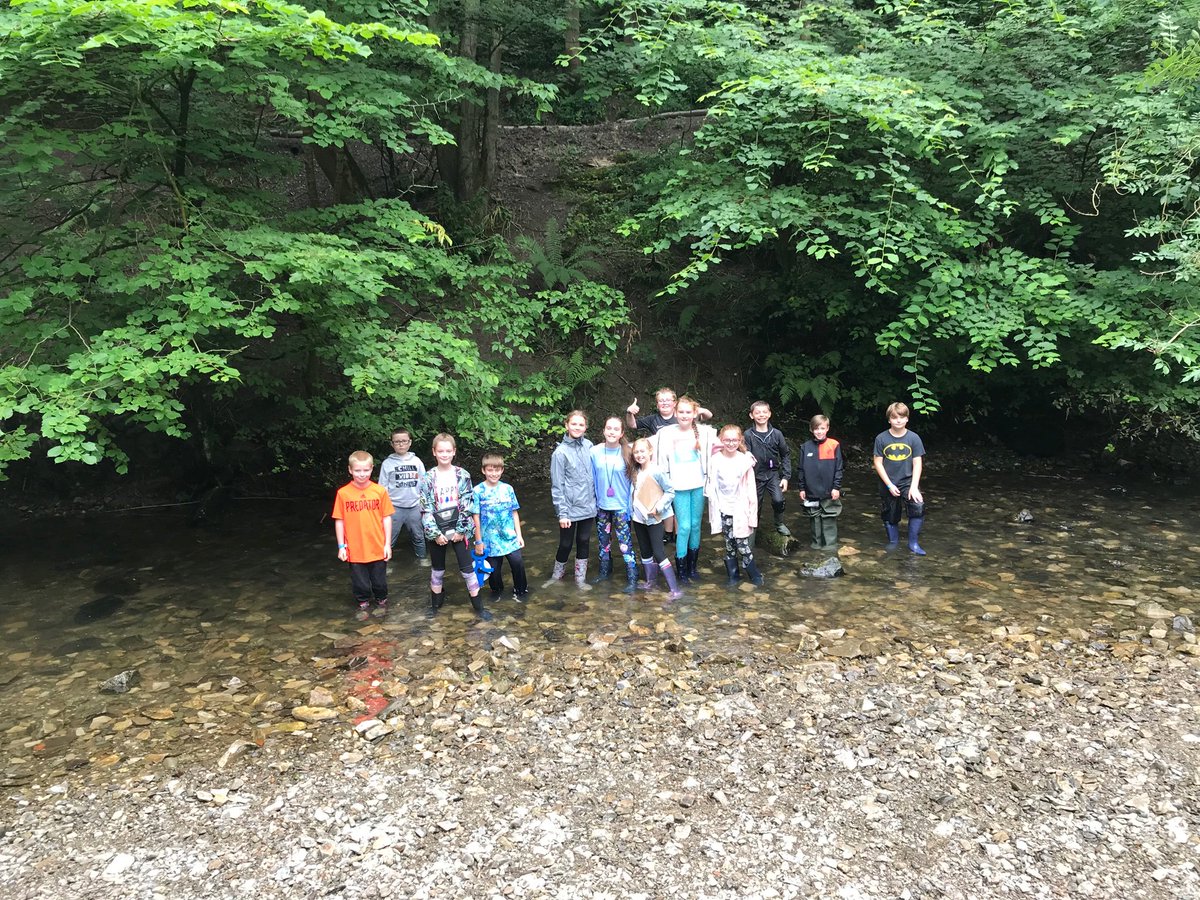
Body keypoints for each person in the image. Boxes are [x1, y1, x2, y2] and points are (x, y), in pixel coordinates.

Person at [420, 434, 490, 619]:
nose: (444, 454)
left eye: (448, 451)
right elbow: (425, 507)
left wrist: (461, 530)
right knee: (438, 569)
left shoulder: (462, 475)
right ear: (434, 452)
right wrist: (435, 533)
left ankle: (479, 607)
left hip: (460, 529)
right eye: (441, 451)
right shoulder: (427, 478)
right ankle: (435, 604)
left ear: (454, 452)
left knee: (467, 569)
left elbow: (468, 504)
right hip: (436, 529)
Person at [652, 396, 718, 581]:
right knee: (684, 527)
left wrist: (745, 455)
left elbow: (726, 443)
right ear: (675, 412)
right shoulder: (666, 433)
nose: (684, 415)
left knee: (696, 526)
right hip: (677, 486)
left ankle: (692, 568)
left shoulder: (705, 432)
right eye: (681, 412)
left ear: (694, 414)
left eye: (688, 412)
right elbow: (652, 451)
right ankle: (681, 570)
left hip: (698, 485)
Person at [332, 451, 394, 619]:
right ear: (350, 470)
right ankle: (363, 605)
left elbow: (386, 518)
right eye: (358, 471)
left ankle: (382, 603)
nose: (362, 474)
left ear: (372, 469)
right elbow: (339, 520)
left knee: (380, 582)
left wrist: (387, 544)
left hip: (377, 547)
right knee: (360, 583)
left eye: (366, 470)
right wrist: (341, 546)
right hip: (354, 548)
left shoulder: (379, 491)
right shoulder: (343, 493)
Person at [706, 425, 763, 586]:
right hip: (723, 508)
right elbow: (712, 487)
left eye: (734, 440)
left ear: (740, 441)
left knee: (743, 544)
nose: (730, 443)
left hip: (741, 509)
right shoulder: (715, 460)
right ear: (721, 440)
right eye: (727, 440)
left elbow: (752, 491)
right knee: (729, 544)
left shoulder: (745, 461)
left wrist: (753, 516)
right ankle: (733, 576)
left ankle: (754, 574)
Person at [630, 438, 684, 600]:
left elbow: (670, 491)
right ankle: (650, 582)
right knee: (645, 551)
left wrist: (659, 507)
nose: (639, 455)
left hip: (654, 518)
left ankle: (674, 589)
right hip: (638, 518)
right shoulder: (634, 472)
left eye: (642, 451)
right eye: (636, 452)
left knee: (659, 553)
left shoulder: (657, 471)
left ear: (650, 451)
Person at [590, 416, 639, 593]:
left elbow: (635, 479)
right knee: (603, 543)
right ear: (603, 430)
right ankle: (604, 573)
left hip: (621, 506)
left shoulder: (628, 452)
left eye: (615, 429)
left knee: (625, 544)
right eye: (608, 428)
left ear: (621, 433)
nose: (611, 432)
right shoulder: (594, 451)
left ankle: (632, 578)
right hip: (602, 506)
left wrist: (631, 507)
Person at [548, 410, 597, 588]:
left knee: (584, 541)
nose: (577, 427)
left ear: (586, 427)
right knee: (566, 543)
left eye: (581, 424)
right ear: (567, 425)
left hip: (588, 506)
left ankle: (580, 579)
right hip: (569, 508)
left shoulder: (590, 446)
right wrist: (562, 513)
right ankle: (556, 576)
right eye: (574, 424)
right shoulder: (559, 453)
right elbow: (557, 486)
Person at [872, 401, 927, 555]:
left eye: (902, 417)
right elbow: (877, 462)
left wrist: (914, 487)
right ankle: (893, 542)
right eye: (894, 417)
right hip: (888, 481)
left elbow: (917, 463)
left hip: (908, 481)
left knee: (918, 505)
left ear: (907, 419)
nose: (898, 420)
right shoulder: (881, 438)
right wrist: (889, 484)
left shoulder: (914, 438)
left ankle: (913, 543)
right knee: (890, 512)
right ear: (889, 419)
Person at [472, 452, 527, 602]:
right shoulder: (478, 491)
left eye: (497, 470)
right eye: (490, 470)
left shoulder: (508, 489)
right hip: (489, 540)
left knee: (518, 564)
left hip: (509, 537)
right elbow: (475, 517)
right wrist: (478, 542)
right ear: (483, 470)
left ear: (502, 470)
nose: (494, 473)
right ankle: (497, 594)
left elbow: (514, 513)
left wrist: (519, 535)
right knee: (494, 571)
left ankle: (521, 591)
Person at [378, 428, 429, 566]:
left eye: (404, 441)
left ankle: (422, 559)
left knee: (419, 536)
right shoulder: (387, 464)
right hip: (394, 507)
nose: (401, 444)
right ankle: (385, 563)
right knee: (389, 538)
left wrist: (423, 504)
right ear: (392, 444)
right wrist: (384, 509)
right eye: (397, 442)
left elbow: (424, 484)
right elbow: (382, 488)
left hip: (414, 506)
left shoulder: (417, 461)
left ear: (410, 442)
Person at [796, 414, 844, 552]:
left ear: (827, 428)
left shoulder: (834, 445)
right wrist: (801, 488)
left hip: (829, 490)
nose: (819, 431)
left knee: (829, 515)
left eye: (822, 428)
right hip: (811, 490)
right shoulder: (805, 447)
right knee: (814, 517)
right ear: (811, 430)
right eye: (816, 429)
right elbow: (801, 469)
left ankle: (830, 546)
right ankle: (816, 546)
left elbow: (839, 468)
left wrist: (836, 487)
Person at [744, 400, 792, 536]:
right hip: (755, 475)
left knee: (778, 500)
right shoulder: (748, 435)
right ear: (751, 415)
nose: (761, 415)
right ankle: (753, 529)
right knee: (755, 503)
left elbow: (785, 455)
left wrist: (786, 477)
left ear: (769, 414)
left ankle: (779, 523)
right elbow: (744, 456)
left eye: (764, 412)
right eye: (757, 413)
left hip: (772, 473)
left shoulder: (777, 434)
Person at [625, 387, 713, 435]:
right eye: (661, 401)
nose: (665, 403)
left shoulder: (682, 415)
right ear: (657, 405)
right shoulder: (652, 419)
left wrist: (702, 410)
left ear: (675, 403)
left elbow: (708, 416)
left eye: (668, 400)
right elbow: (633, 424)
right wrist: (629, 412)